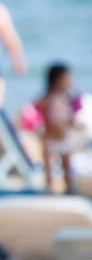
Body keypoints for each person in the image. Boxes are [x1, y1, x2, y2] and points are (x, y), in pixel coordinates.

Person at [35, 63, 86, 193]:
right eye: (66, 79)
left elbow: (70, 118)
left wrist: (76, 125)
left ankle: (69, 185)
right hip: (50, 136)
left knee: (66, 163)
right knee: (48, 164)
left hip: (64, 136)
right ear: (55, 80)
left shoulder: (68, 98)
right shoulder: (47, 98)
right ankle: (49, 186)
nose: (69, 82)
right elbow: (38, 114)